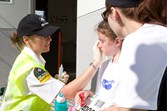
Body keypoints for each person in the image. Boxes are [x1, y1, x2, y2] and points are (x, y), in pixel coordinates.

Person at [0, 14, 102, 111]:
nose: (50, 39)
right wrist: (95, 62)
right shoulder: (31, 68)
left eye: (48, 34)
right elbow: (67, 93)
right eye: (43, 36)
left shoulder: (27, 60)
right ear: (26, 39)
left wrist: (57, 82)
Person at [98, 0, 167, 111]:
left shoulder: (138, 41)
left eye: (105, 16)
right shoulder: (160, 33)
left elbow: (130, 109)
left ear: (114, 12)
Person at [74, 20, 123, 110]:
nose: (98, 45)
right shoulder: (104, 65)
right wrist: (89, 94)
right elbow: (101, 95)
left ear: (117, 42)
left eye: (102, 41)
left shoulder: (126, 68)